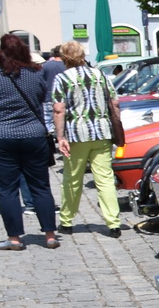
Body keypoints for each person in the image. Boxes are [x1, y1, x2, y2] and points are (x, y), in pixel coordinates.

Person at [0, 33, 60, 250]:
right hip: (33, 135)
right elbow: (42, 102)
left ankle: (14, 238)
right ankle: (50, 235)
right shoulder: (36, 76)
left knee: (7, 189)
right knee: (40, 186)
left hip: (0, 137)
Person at [50, 41, 124, 238]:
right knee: (105, 179)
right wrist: (115, 126)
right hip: (102, 132)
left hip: (76, 134)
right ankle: (113, 223)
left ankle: (66, 221)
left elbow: (59, 109)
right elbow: (115, 102)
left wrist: (60, 136)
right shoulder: (100, 75)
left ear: (64, 58)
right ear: (82, 56)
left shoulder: (62, 78)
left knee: (72, 178)